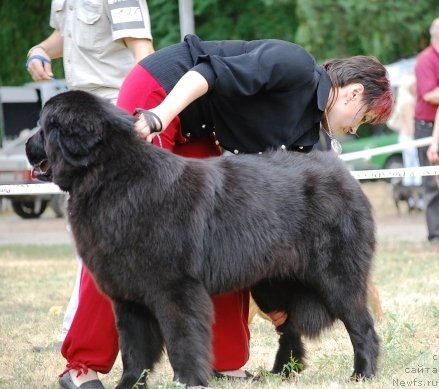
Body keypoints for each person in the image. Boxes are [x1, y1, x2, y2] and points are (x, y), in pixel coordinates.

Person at [115, 34, 391, 383]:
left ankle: (220, 361)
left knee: (224, 248)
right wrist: (159, 116)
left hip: (200, 128)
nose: (354, 129)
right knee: (131, 242)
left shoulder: (309, 134)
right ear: (353, 93)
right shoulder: (296, 66)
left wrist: (289, 314)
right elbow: (208, 73)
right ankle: (87, 363)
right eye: (362, 118)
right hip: (163, 93)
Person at [26, 1, 154, 388]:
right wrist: (41, 50)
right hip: (73, 124)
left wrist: (132, 132)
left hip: (113, 125)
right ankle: (84, 350)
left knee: (107, 248)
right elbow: (68, 37)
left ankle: (84, 362)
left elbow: (144, 59)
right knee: (91, 248)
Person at [414, 16, 439, 248]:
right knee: (432, 182)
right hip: (427, 127)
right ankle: (435, 236)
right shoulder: (426, 60)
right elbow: (430, 94)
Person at [387, 74, 423, 209]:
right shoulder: (408, 102)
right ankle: (416, 200)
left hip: (405, 137)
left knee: (411, 168)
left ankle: (413, 201)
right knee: (415, 168)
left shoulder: (404, 100)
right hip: (410, 138)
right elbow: (410, 126)